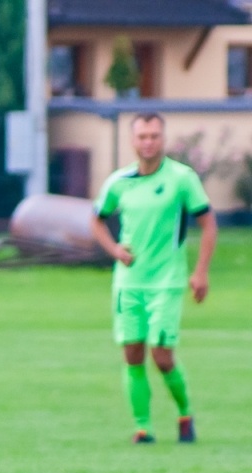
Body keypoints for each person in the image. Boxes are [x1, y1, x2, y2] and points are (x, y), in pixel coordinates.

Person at [89, 112, 217, 444]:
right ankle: (143, 428)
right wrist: (114, 249)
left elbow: (208, 224)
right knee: (132, 354)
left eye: (154, 136)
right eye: (143, 136)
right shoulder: (119, 182)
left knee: (161, 354)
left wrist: (200, 272)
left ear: (163, 139)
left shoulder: (182, 178)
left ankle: (185, 414)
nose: (148, 142)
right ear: (133, 141)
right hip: (128, 284)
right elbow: (97, 219)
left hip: (167, 282)